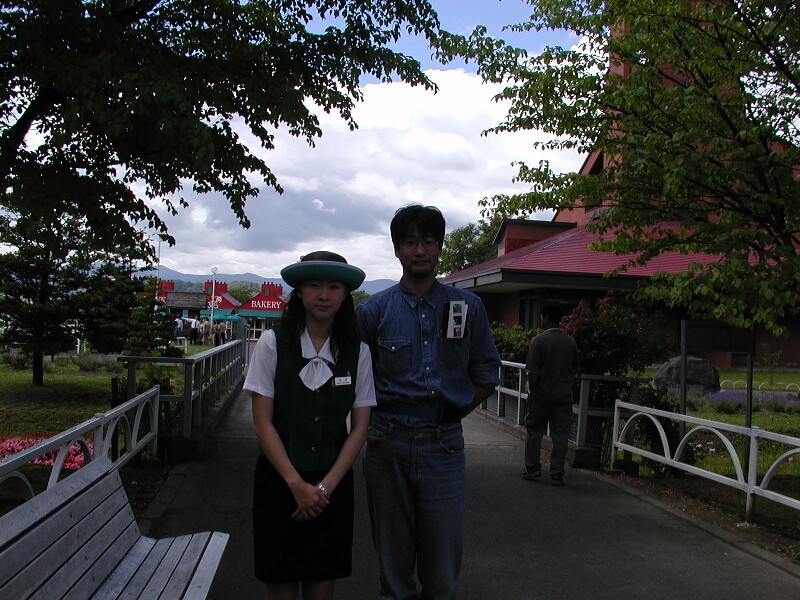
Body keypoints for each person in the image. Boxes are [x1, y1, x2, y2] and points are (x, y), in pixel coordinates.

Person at [355, 204, 501, 600]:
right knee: (393, 571)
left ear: (439, 248)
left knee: (442, 574)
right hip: (387, 443)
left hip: (444, 445)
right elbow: (355, 382)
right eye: (410, 242)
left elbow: (487, 373)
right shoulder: (372, 311)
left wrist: (452, 412)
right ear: (396, 249)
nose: (419, 250)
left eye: (429, 242)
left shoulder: (468, 307)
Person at [243, 251, 376, 600]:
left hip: (332, 485)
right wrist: (296, 485)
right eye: (314, 285)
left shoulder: (358, 352)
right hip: (278, 483)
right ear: (299, 292)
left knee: (322, 587)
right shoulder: (272, 344)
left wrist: (324, 489)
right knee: (281, 587)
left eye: (334, 287)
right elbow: (262, 423)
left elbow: (360, 427)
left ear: (345, 296)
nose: (323, 295)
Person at [521, 306, 579, 486]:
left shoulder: (538, 341)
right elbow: (574, 369)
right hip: (563, 397)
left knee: (534, 431)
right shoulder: (570, 342)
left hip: (541, 396)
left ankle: (533, 468)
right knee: (560, 436)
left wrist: (531, 390)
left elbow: (532, 372)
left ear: (545, 318)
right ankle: (557, 473)